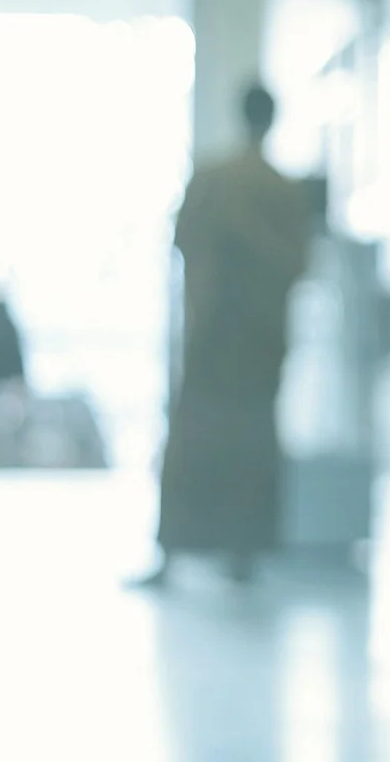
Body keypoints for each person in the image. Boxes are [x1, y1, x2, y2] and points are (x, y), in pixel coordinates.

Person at [136, 84, 313, 587]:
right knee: (251, 442)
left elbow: (182, 241)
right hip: (259, 339)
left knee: (197, 439)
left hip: (214, 334)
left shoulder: (215, 180)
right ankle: (243, 550)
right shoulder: (284, 190)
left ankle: (174, 552)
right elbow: (298, 263)